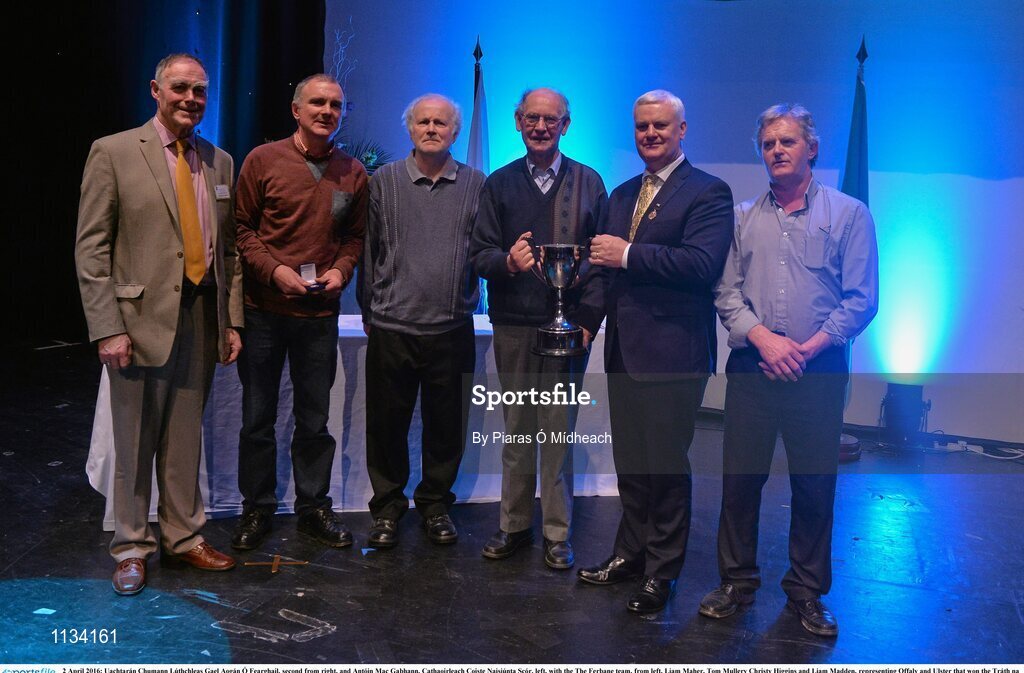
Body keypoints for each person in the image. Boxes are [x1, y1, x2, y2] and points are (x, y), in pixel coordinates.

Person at [701, 104, 878, 637]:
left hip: (817, 370)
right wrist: (765, 340)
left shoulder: (849, 214)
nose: (776, 150)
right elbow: (726, 293)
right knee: (740, 481)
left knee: (814, 484)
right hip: (753, 366)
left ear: (812, 148)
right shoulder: (742, 217)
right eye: (768, 144)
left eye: (787, 141)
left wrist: (806, 348)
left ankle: (806, 592)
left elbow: (861, 299)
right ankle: (736, 582)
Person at [76, 53, 244, 596]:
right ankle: (130, 546)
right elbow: (91, 250)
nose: (191, 99)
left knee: (185, 439)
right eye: (180, 88)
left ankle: (183, 536)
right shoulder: (114, 151)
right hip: (136, 321)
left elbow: (230, 253)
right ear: (155, 89)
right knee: (133, 441)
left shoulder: (220, 161)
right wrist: (108, 327)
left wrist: (231, 321)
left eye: (200, 90)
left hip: (201, 315)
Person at [575, 90, 733, 613]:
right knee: (631, 464)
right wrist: (586, 324)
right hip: (624, 352)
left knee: (664, 469)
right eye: (642, 126)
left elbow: (700, 265)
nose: (650, 134)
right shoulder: (621, 195)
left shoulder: (709, 192)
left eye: (660, 126)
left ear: (682, 129)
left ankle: (662, 573)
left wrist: (628, 254)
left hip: (674, 355)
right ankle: (630, 554)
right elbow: (603, 271)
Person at [470, 88, 606, 570]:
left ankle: (556, 532)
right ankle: (512, 524)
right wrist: (507, 262)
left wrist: (587, 321)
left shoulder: (589, 182)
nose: (541, 127)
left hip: (568, 333)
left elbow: (602, 261)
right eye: (532, 117)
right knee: (518, 430)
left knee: (558, 432)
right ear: (517, 121)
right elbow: (479, 254)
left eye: (551, 119)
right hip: (513, 326)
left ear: (566, 125)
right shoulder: (499, 184)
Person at [230, 74, 366, 551]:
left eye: (335, 105)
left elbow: (354, 238)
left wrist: (342, 271)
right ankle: (256, 508)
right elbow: (242, 230)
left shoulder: (353, 171)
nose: (326, 111)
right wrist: (275, 273)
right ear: (296, 110)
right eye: (317, 103)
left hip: (318, 315)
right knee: (257, 418)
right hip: (263, 311)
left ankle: (313, 508)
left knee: (314, 420)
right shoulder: (262, 160)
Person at [360, 94, 486, 548]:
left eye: (441, 123)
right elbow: (369, 250)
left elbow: (485, 249)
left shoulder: (477, 185)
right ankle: (387, 509)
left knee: (447, 427)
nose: (431, 129)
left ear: (455, 131)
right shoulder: (383, 181)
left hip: (451, 328)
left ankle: (435, 505)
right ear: (410, 128)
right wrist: (370, 310)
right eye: (423, 122)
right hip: (392, 327)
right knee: (386, 427)